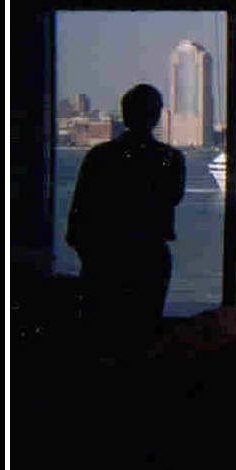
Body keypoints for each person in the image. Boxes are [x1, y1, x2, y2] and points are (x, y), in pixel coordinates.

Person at [67, 84, 185, 361]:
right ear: (157, 116)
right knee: (144, 335)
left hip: (104, 258)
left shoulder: (99, 157)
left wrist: (92, 256)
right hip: (149, 257)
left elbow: (78, 217)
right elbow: (172, 198)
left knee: (102, 338)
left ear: (124, 115)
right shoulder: (170, 158)